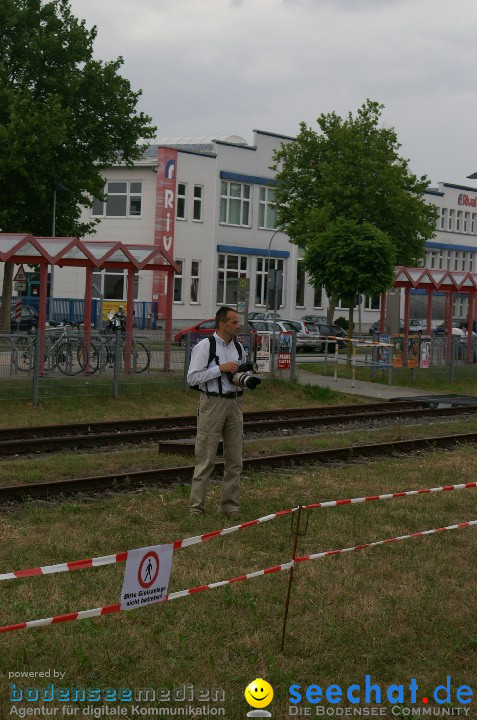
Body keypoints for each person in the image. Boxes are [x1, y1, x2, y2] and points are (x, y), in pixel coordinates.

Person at [187, 306, 246, 519]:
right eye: (234, 322)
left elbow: (238, 373)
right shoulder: (205, 346)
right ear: (222, 324)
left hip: (235, 403)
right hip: (212, 403)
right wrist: (219, 369)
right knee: (205, 457)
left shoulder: (239, 347)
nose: (238, 326)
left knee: (235, 459)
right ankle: (196, 508)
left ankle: (231, 507)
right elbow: (192, 378)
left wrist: (242, 378)